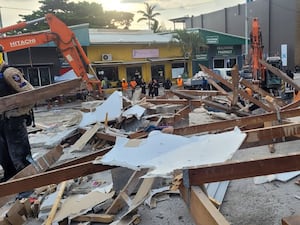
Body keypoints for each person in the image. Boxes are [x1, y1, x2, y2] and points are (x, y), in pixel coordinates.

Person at [0, 60, 35, 182]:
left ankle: (28, 182)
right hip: (2, 122)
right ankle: (11, 180)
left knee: (20, 155)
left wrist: (18, 112)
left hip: (13, 121)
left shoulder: (9, 73)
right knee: (4, 156)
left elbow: (31, 94)